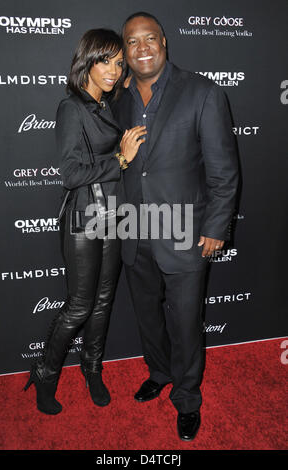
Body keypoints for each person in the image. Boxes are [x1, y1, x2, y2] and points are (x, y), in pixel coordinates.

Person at [111, 12, 239, 441]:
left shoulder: (202, 92)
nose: (142, 47)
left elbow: (224, 171)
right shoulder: (120, 98)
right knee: (148, 316)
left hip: (185, 230)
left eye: (150, 39)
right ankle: (159, 372)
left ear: (164, 42)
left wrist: (217, 226)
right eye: (132, 42)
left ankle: (187, 398)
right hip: (135, 228)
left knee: (185, 322)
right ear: (125, 51)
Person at [24, 29, 146, 414]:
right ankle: (44, 372)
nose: (113, 70)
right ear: (87, 62)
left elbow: (135, 88)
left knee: (104, 301)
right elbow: (71, 174)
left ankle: (92, 368)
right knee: (79, 305)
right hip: (84, 216)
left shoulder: (108, 105)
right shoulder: (71, 107)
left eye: (117, 63)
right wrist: (121, 160)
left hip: (114, 215)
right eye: (105, 61)